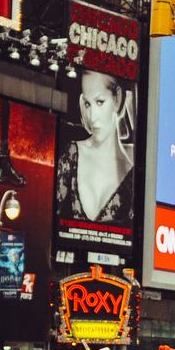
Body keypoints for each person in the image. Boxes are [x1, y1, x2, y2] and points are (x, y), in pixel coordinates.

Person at [54, 70, 135, 231]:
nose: (92, 117)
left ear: (117, 99)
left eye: (99, 102)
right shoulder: (72, 154)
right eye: (87, 104)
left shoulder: (132, 176)